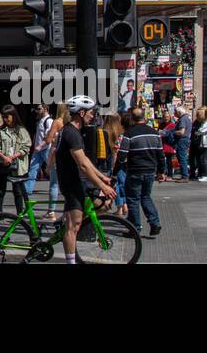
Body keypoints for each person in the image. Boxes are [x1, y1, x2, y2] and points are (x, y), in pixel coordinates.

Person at [54, 96, 117, 265]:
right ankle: (71, 262)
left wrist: (102, 176)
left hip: (79, 182)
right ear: (81, 113)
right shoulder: (71, 133)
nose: (93, 115)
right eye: (91, 112)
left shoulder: (74, 131)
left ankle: (64, 219)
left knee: (104, 205)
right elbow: (82, 165)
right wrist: (103, 185)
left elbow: (87, 161)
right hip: (72, 184)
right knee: (73, 226)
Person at [113, 107, 165, 236]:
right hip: (150, 170)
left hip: (135, 170)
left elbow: (122, 156)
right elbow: (160, 154)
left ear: (133, 118)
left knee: (132, 199)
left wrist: (115, 173)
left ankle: (135, 228)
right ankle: (155, 223)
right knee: (146, 197)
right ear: (144, 117)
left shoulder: (129, 134)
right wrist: (161, 171)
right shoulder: (154, 133)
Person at [0, 105, 30, 214]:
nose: (6, 119)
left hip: (17, 165)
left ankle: (20, 215)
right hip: (3, 163)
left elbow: (26, 146)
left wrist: (13, 156)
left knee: (18, 191)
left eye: (8, 116)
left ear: (14, 116)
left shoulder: (21, 130)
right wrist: (4, 157)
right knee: (0, 191)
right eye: (4, 117)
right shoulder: (0, 130)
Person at [25, 104, 54, 197]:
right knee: (33, 169)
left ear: (45, 108)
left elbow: (48, 136)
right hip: (38, 150)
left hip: (46, 149)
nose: (37, 111)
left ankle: (60, 187)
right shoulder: (40, 120)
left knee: (53, 169)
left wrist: (40, 146)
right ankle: (27, 190)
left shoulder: (49, 121)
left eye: (39, 109)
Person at [172, 105, 192, 183]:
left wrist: (172, 132)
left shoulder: (182, 119)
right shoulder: (188, 118)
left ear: (179, 112)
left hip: (182, 140)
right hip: (186, 139)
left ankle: (184, 176)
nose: (174, 113)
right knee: (182, 157)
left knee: (181, 157)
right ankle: (184, 175)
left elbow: (181, 131)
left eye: (175, 112)